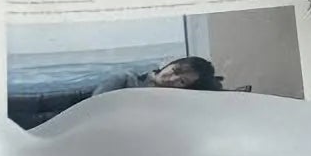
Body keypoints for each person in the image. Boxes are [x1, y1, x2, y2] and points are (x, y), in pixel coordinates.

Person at [88, 55, 240, 95]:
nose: (172, 79)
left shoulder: (171, 99)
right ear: (169, 65)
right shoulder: (126, 78)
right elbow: (95, 106)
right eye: (175, 71)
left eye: (182, 82)